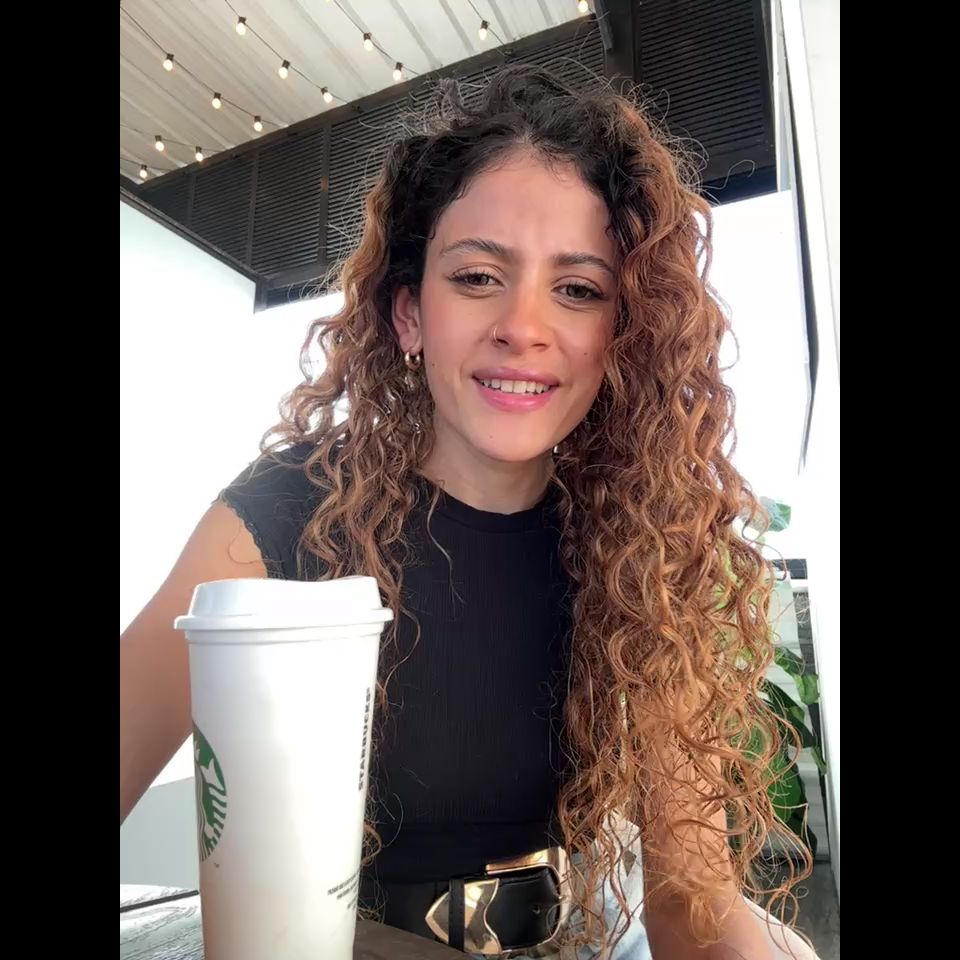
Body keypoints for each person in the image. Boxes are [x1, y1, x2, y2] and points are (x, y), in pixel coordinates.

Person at [120, 64, 815, 960]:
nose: (524, 327)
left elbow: (693, 902)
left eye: (579, 289)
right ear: (410, 315)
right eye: (479, 276)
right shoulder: (283, 517)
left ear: (623, 332)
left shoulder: (640, 541)